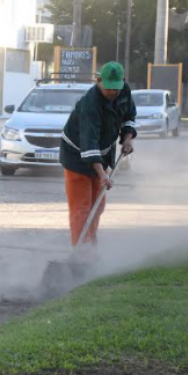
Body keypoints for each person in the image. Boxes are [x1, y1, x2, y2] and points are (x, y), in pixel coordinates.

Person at [59, 61, 136, 251]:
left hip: (103, 155)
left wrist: (127, 139)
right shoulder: (89, 105)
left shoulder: (124, 91)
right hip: (78, 157)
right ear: (99, 81)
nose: (113, 93)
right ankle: (81, 252)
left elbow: (129, 117)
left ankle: (91, 244)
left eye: (116, 88)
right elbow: (89, 144)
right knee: (82, 208)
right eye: (109, 89)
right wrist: (103, 175)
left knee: (97, 205)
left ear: (122, 81)